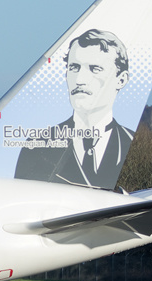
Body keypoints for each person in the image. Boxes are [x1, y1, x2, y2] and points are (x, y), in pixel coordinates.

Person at [14, 28, 133, 188]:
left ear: (121, 79)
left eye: (95, 69)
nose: (80, 79)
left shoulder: (130, 142)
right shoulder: (38, 145)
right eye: (74, 68)